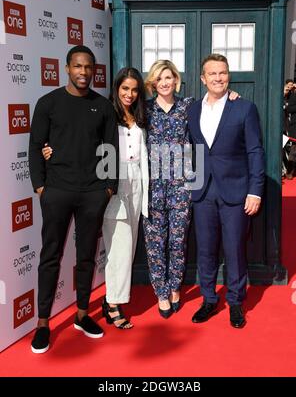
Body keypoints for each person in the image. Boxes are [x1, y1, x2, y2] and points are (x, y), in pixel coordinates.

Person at [42, 67, 148, 330]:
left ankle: (113, 300)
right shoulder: (104, 111)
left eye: (135, 89)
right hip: (111, 181)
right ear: (116, 89)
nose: (130, 94)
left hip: (137, 182)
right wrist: (50, 151)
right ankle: (112, 304)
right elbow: (82, 140)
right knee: (119, 248)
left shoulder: (140, 115)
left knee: (129, 246)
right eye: (125, 88)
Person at [29, 45, 119, 353]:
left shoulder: (103, 107)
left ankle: (82, 314)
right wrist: (41, 187)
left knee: (85, 256)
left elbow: (110, 149)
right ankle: (43, 322)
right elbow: (34, 147)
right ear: (67, 68)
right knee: (50, 255)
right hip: (57, 191)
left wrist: (107, 188)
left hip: (93, 192)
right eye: (78, 66)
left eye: (88, 67)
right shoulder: (48, 103)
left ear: (94, 70)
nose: (83, 72)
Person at [143, 60, 241, 318]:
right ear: (153, 83)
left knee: (177, 242)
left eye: (169, 77)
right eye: (159, 78)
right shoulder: (145, 109)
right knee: (155, 243)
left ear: (176, 80)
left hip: (183, 186)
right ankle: (161, 294)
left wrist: (230, 96)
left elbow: (216, 102)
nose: (164, 82)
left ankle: (175, 288)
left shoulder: (189, 106)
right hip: (152, 186)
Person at [187, 53, 264, 328]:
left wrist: (255, 191)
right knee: (205, 251)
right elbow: (189, 149)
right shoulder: (192, 109)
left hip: (236, 191)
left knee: (234, 250)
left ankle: (235, 302)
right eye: (213, 74)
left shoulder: (244, 108)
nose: (218, 78)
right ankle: (209, 299)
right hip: (203, 192)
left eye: (223, 73)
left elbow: (255, 150)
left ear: (228, 76)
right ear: (203, 79)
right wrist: (188, 182)